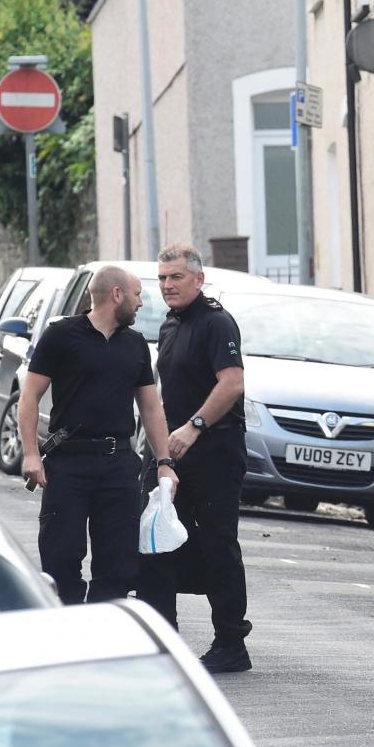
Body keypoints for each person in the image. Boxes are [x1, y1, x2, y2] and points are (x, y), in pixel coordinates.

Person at [18, 266, 178, 604]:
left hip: (118, 464)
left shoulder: (135, 344)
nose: (141, 304)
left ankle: (103, 638)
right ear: (116, 294)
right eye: (137, 294)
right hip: (68, 463)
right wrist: (31, 453)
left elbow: (151, 407)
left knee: (118, 566)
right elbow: (29, 396)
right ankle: (70, 634)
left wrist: (165, 461)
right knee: (60, 559)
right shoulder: (61, 335)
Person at [136, 244, 252, 674]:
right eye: (162, 278)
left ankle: (230, 644)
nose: (167, 285)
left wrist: (195, 426)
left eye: (176, 277)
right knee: (156, 542)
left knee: (217, 545)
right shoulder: (169, 325)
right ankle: (164, 640)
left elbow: (232, 383)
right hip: (173, 454)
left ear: (198, 279)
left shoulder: (216, 322)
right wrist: (163, 448)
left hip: (215, 451)